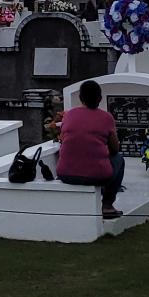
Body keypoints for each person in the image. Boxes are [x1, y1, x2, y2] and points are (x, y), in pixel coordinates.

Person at [56, 79, 125, 219]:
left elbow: (63, 139)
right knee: (118, 160)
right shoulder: (106, 118)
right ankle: (107, 205)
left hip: (65, 174)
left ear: (81, 98)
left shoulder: (69, 115)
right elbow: (115, 149)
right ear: (99, 98)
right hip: (97, 176)